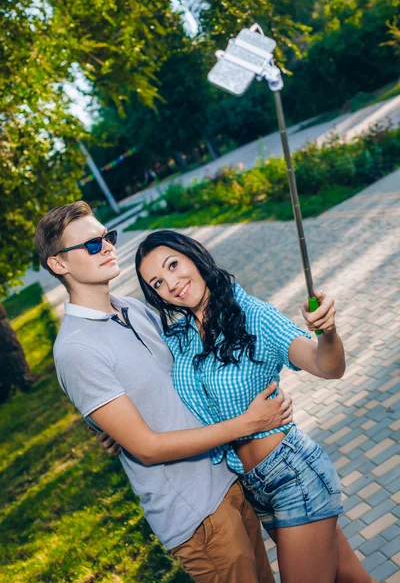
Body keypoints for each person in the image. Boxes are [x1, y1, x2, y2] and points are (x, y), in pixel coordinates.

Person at [35, 200, 298, 583]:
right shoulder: (76, 348)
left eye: (107, 237)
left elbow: (183, 376)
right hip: (194, 513)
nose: (108, 246)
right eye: (92, 245)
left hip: (229, 479)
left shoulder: (133, 309)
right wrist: (246, 424)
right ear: (59, 264)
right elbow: (146, 447)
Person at [135, 229, 377, 583]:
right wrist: (114, 430)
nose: (171, 283)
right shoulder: (180, 337)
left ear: (193, 256)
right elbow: (150, 387)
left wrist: (328, 331)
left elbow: (328, 367)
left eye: (173, 265)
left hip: (292, 474)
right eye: (157, 282)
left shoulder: (253, 314)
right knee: (352, 578)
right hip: (253, 486)